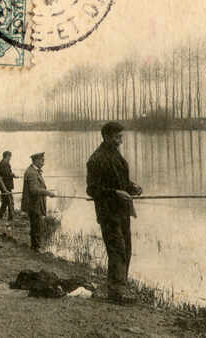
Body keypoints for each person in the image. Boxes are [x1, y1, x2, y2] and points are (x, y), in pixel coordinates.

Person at [86, 122, 143, 304]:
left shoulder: (116, 156)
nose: (120, 141)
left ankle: (119, 286)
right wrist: (116, 192)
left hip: (122, 211)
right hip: (108, 212)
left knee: (126, 248)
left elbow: (120, 182)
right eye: (118, 137)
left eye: (121, 137)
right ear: (107, 137)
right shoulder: (96, 159)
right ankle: (117, 290)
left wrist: (132, 187)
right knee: (117, 249)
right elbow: (92, 190)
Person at [21, 152, 55, 252]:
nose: (43, 163)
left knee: (36, 225)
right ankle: (37, 248)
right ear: (35, 160)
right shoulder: (31, 172)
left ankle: (34, 246)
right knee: (37, 225)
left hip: (35, 203)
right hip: (33, 204)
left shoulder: (34, 171)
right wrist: (47, 192)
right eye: (42, 160)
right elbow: (33, 189)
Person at [0, 151, 15, 220]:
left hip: (4, 185)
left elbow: (5, 174)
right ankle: (10, 217)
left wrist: (11, 174)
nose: (10, 158)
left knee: (5, 201)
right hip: (6, 186)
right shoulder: (5, 163)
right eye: (10, 156)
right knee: (9, 201)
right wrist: (12, 175)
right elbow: (6, 174)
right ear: (7, 156)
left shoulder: (3, 163)